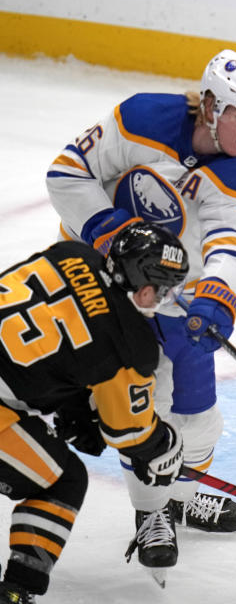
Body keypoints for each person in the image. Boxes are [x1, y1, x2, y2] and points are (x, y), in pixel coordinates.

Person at [44, 50, 236, 560]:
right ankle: (152, 512)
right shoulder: (142, 118)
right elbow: (66, 173)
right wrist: (114, 234)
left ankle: (180, 499)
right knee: (149, 406)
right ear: (212, 106)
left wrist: (218, 293)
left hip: (173, 293)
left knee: (200, 419)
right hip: (99, 281)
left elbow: (233, 246)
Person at [0, 222, 188, 603]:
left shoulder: (73, 254)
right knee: (63, 480)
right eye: (167, 291)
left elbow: (55, 329)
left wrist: (71, 402)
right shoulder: (131, 345)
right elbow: (130, 435)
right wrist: (165, 445)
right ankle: (17, 593)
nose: (169, 300)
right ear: (147, 289)